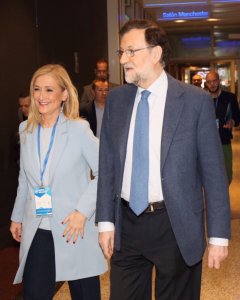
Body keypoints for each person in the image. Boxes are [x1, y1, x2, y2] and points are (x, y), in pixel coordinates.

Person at [96, 19, 231, 300]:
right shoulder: (117, 100)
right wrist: (106, 222)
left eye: (131, 51)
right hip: (127, 223)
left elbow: (214, 173)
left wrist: (218, 235)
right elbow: (107, 165)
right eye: (121, 52)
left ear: (156, 53)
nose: (123, 60)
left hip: (175, 223)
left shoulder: (195, 101)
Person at [10, 64, 107, 300]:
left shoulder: (79, 129)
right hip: (37, 227)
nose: (41, 97)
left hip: (72, 227)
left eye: (49, 90)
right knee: (34, 293)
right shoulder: (26, 129)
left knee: (85, 295)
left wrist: (82, 212)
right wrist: (17, 216)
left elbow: (105, 173)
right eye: (37, 89)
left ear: (64, 94)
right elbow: (25, 177)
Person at [205, 70, 240, 184]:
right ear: (206, 83)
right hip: (207, 143)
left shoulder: (229, 97)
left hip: (224, 141)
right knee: (209, 176)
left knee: (227, 176)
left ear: (219, 81)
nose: (212, 84)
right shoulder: (202, 99)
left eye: (214, 81)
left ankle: (222, 198)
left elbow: (237, 117)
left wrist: (233, 122)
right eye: (209, 82)